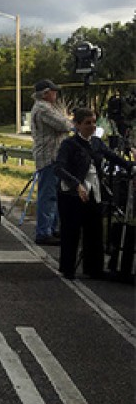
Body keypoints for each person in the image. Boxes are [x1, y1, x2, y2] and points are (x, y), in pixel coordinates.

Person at [55, 107, 135, 279]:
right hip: (71, 194)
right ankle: (67, 268)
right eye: (87, 123)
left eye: (93, 123)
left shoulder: (97, 143)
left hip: (93, 192)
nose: (91, 126)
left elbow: (112, 157)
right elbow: (59, 168)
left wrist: (130, 165)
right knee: (72, 231)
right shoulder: (69, 145)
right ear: (77, 125)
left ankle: (94, 268)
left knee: (94, 230)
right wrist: (76, 185)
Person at [31, 79, 73, 245]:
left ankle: (52, 228)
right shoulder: (43, 108)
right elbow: (64, 125)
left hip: (53, 155)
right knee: (48, 196)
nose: (56, 94)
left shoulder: (45, 107)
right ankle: (44, 231)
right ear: (46, 93)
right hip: (49, 156)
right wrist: (70, 121)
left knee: (54, 194)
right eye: (53, 91)